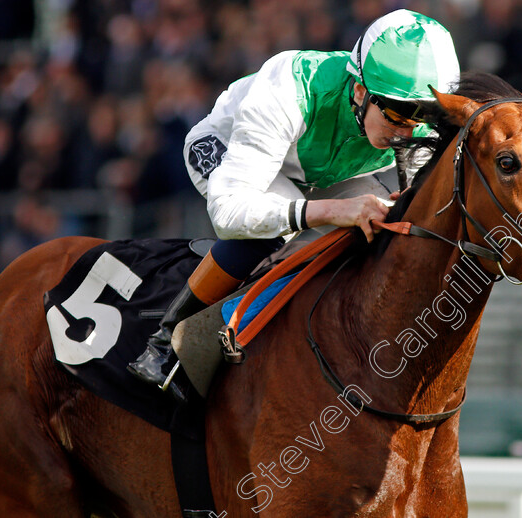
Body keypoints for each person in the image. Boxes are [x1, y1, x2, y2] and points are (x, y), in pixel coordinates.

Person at [127, 9, 461, 403]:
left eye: (427, 114)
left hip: (322, 174)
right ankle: (166, 344)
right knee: (273, 228)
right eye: (399, 112)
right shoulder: (289, 86)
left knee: (385, 225)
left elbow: (420, 205)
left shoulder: (407, 120)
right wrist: (330, 212)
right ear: (358, 91)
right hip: (229, 152)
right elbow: (230, 213)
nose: (410, 130)